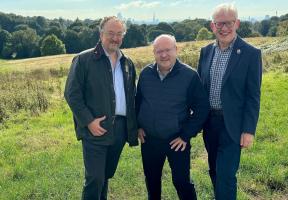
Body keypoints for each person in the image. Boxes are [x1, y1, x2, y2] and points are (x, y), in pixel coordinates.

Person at [64, 16, 138, 200]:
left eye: (119, 34)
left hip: (120, 129)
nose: (115, 38)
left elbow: (132, 97)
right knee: (94, 178)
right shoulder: (84, 59)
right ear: (101, 34)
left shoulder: (127, 63)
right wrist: (88, 121)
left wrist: (134, 126)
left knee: (105, 176)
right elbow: (72, 94)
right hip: (96, 129)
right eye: (111, 33)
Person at [197, 3, 262, 200]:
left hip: (233, 125)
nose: (224, 28)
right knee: (214, 171)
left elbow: (253, 95)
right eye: (219, 24)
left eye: (229, 23)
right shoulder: (206, 51)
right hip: (210, 124)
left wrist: (249, 130)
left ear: (237, 23)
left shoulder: (250, 53)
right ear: (212, 26)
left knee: (226, 174)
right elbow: (200, 89)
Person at [136, 34, 209, 200]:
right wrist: (138, 126)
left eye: (168, 50)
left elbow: (202, 108)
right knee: (152, 182)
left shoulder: (189, 76)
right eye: (159, 51)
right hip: (150, 140)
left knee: (182, 182)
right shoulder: (146, 74)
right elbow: (137, 102)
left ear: (176, 50)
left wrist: (185, 135)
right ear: (154, 53)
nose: (164, 55)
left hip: (177, 141)